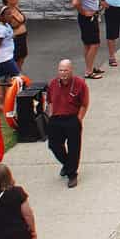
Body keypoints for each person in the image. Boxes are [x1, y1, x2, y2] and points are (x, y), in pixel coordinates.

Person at [44, 59, 87, 187]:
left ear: (71, 70)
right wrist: (51, 115)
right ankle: (68, 164)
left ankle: (72, 174)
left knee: (74, 147)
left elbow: (84, 104)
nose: (63, 73)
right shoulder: (52, 84)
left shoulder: (80, 84)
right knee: (54, 145)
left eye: (65, 70)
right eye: (60, 70)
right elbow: (50, 101)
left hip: (72, 118)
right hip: (56, 118)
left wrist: (78, 119)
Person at [71, 0, 103, 79]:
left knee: (88, 44)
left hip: (91, 16)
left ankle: (91, 66)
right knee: (94, 44)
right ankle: (89, 71)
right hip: (88, 18)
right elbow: (75, 2)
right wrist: (84, 12)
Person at [0, 0, 26, 75]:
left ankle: (15, 75)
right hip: (6, 56)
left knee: (21, 58)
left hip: (19, 39)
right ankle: (16, 76)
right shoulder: (2, 28)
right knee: (18, 76)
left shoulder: (15, 9)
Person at [0, 16, 15, 81]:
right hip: (4, 59)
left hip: (9, 57)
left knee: (5, 78)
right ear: (0, 16)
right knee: (16, 77)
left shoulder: (7, 25)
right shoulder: (1, 29)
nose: (11, 16)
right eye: (8, 14)